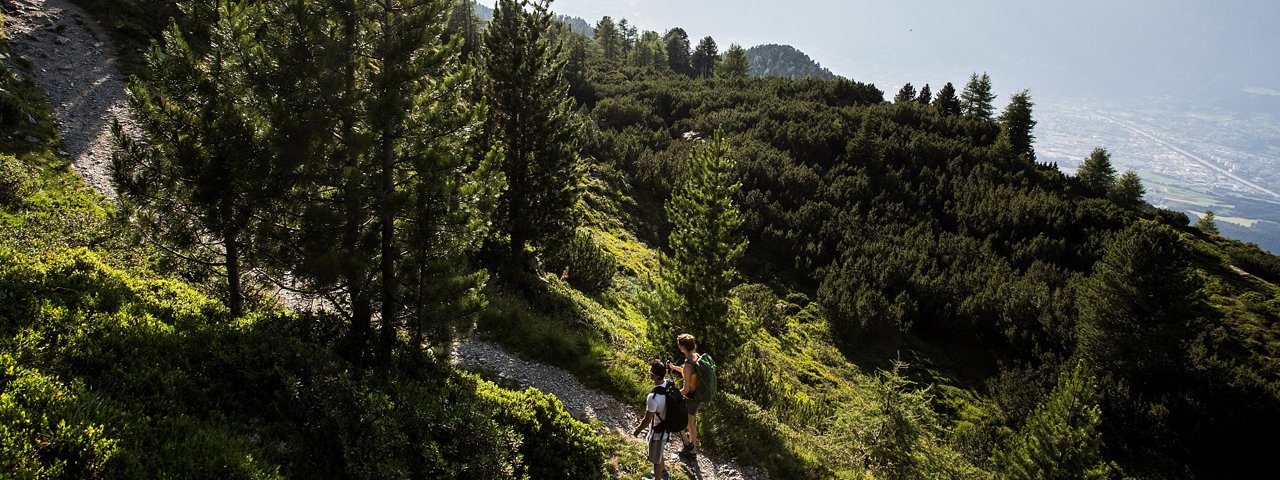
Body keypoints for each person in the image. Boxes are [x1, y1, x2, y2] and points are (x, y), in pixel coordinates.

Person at [633, 359, 673, 480]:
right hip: (668, 427)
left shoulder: (653, 397)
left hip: (658, 431)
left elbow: (647, 419)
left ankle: (658, 477)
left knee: (656, 460)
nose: (650, 374)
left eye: (651, 373)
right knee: (659, 452)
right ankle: (664, 472)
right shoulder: (668, 385)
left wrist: (637, 431)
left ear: (655, 376)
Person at [667, 333, 701, 457]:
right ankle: (691, 446)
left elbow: (686, 389)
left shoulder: (688, 364)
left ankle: (691, 448)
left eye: (679, 344)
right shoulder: (695, 356)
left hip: (691, 396)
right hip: (697, 394)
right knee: (691, 421)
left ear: (683, 347)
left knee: (686, 420)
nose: (678, 346)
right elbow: (688, 372)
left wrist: (674, 396)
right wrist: (673, 367)